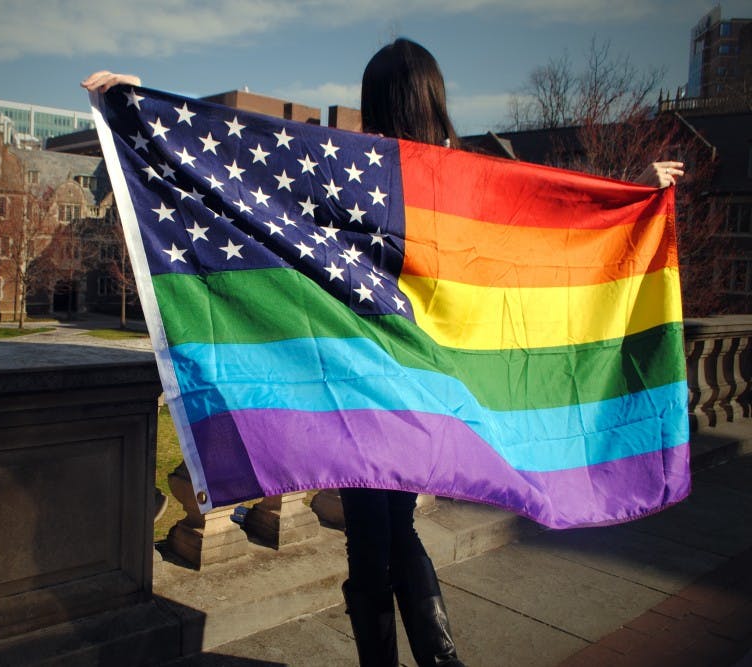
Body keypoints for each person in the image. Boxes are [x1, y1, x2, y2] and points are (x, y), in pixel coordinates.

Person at [83, 39, 683, 667]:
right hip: (430, 394)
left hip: (362, 386)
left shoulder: (348, 167)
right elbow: (545, 229)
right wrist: (632, 195)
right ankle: (438, 658)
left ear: (375, 99)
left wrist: (137, 112)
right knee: (393, 528)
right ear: (435, 96)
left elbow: (238, 185)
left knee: (373, 536)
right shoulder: (463, 176)